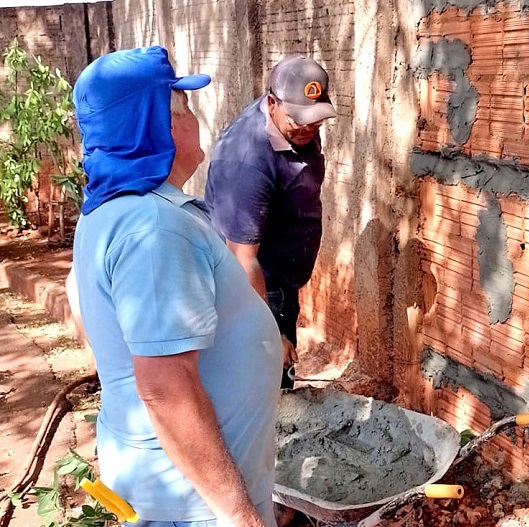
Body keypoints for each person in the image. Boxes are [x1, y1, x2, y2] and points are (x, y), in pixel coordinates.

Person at [68, 46, 283, 527]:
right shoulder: (153, 229)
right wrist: (239, 516)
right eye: (184, 108)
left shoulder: (109, 208)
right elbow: (166, 389)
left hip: (172, 485)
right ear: (158, 126)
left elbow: (79, 302)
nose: (195, 121)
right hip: (194, 505)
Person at [204, 55, 336, 389]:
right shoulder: (247, 162)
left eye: (316, 121)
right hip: (254, 289)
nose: (308, 129)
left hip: (280, 279)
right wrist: (270, 332)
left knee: (276, 376)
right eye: (299, 121)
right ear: (272, 102)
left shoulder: (294, 123)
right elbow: (241, 259)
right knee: (265, 383)